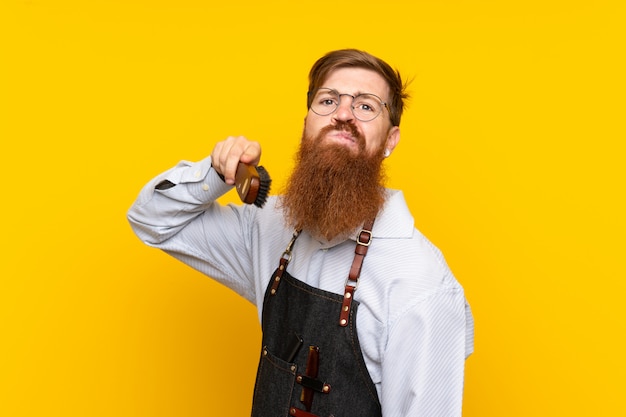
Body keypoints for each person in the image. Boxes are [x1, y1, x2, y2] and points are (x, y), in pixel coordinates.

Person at [127, 49, 474, 417]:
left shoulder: (421, 284)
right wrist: (216, 174)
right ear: (307, 123)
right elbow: (152, 220)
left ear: (390, 140)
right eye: (328, 100)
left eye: (366, 106)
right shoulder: (269, 226)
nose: (343, 114)